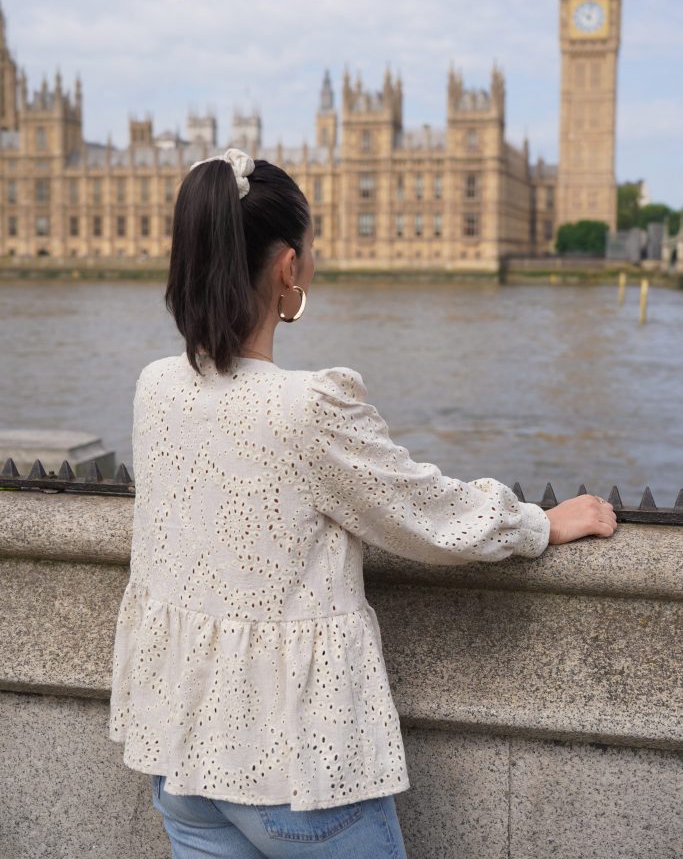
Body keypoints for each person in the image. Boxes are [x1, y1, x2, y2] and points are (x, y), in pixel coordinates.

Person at [109, 148, 618, 859]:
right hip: (293, 779)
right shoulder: (307, 407)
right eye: (307, 252)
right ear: (288, 268)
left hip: (180, 761)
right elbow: (423, 512)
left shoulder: (155, 387)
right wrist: (538, 523)